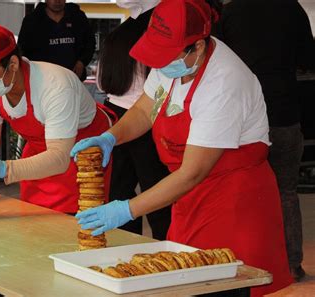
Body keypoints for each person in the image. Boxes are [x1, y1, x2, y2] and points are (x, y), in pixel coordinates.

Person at [71, 0, 292, 296]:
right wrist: (110, 137)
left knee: (224, 284)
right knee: (185, 280)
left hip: (232, 200)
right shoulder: (173, 61)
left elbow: (192, 172)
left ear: (198, 47)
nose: (159, 65)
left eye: (166, 57)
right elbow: (144, 110)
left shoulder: (224, 82)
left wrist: (127, 209)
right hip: (188, 196)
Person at [0, 24, 113, 214]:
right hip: (38, 152)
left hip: (81, 153)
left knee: (73, 228)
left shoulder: (55, 86)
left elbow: (60, 158)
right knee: (30, 220)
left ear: (13, 64)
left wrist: (4, 169)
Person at [213, 0, 315, 282]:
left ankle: (241, 259)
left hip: (241, 117)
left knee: (238, 190)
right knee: (285, 191)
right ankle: (292, 263)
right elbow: (309, 57)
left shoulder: (232, 11)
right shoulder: (291, 8)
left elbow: (216, 59)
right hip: (283, 111)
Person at [96, 5, 170, 239]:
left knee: (119, 189)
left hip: (115, 116)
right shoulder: (151, 38)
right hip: (145, 117)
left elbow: (101, 84)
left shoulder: (115, 37)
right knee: (156, 188)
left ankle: (125, 243)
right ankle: (165, 242)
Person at [17, 0, 95, 81]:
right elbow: (22, 51)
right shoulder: (32, 21)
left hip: (74, 80)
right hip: (43, 82)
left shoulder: (77, 17)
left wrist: (82, 62)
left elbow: (90, 43)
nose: (57, 1)